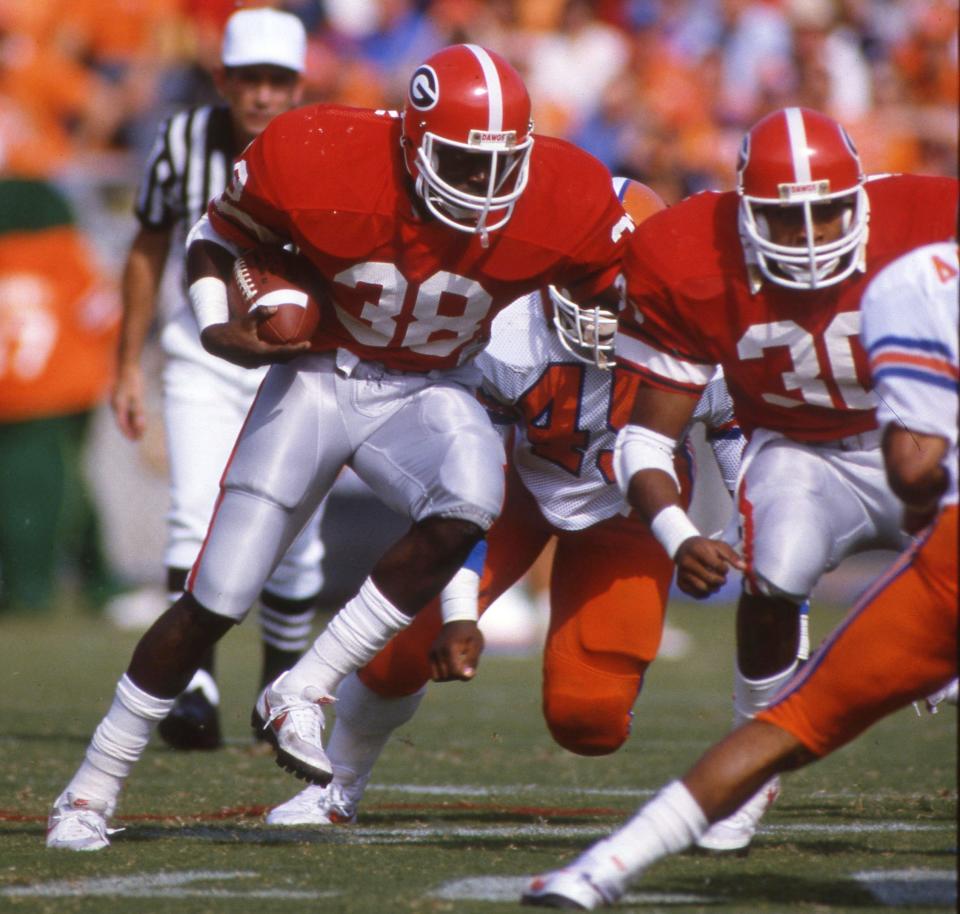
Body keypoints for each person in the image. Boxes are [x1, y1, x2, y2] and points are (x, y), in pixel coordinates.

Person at [47, 43, 632, 850]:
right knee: (214, 600)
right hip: (322, 373)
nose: (486, 188)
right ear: (413, 143)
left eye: (505, 167)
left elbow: (617, 294)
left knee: (472, 495)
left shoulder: (567, 194)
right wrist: (223, 323)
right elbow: (219, 237)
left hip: (430, 389)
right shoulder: (322, 155)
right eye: (463, 164)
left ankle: (305, 687)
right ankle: (89, 789)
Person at [264, 176, 747, 827]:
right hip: (518, 485)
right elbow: (469, 491)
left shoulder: (695, 333)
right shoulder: (504, 330)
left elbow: (741, 431)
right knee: (402, 644)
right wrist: (461, 611)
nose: (605, 305)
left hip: (634, 513)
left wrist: (736, 531)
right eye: (590, 278)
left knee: (589, 722)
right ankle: (336, 789)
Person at [521, 238, 959, 909]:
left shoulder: (913, 276)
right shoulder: (710, 278)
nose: (805, 235)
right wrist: (685, 535)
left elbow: (912, 465)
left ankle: (598, 871)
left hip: (931, 530)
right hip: (826, 472)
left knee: (790, 721)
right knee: (778, 649)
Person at [598, 106, 958, 852]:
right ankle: (747, 773)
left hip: (922, 440)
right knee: (773, 569)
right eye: (785, 219)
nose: (810, 236)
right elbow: (641, 436)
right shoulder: (687, 255)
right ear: (745, 214)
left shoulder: (928, 215)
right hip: (799, 451)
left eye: (827, 214)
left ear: (860, 198)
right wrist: (677, 532)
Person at [108, 7, 325, 750]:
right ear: (221, 79)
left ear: (299, 85)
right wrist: (125, 364)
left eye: (278, 80)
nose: (263, 95)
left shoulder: (329, 146)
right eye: (249, 79)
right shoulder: (181, 140)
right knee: (193, 511)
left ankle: (280, 682)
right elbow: (147, 249)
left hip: (299, 358)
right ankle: (191, 683)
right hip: (203, 347)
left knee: (298, 532)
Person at [0, 177, 124, 614]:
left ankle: (40, 586)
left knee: (35, 491)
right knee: (59, 488)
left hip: (18, 394)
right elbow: (105, 314)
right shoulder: (65, 253)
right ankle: (49, 585)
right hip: (61, 390)